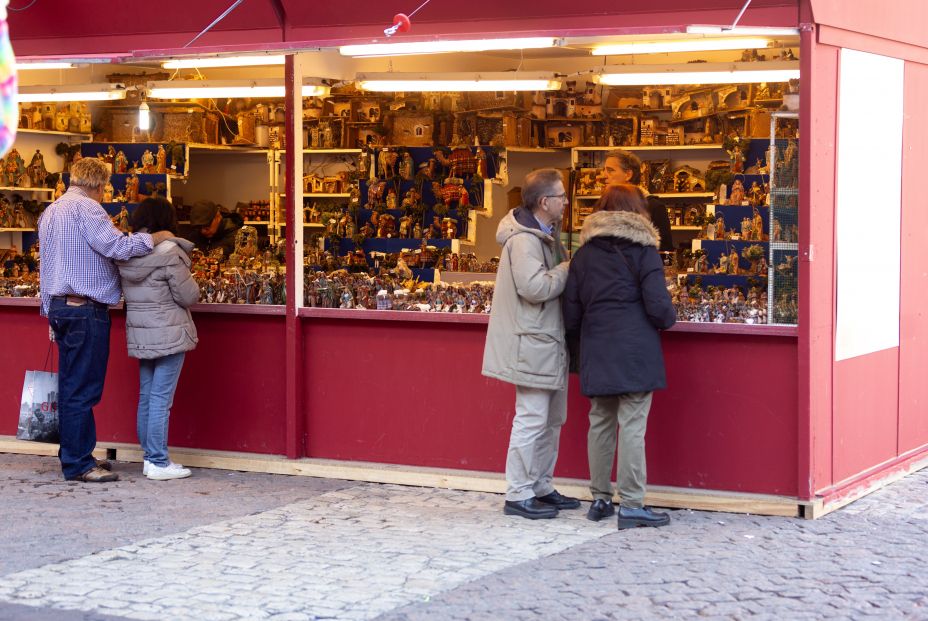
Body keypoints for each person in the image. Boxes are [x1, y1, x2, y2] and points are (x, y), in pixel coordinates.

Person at [39, 158, 174, 483]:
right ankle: (78, 464)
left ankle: (76, 454)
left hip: (62, 307)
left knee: (72, 386)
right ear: (98, 185)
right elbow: (115, 246)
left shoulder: (51, 211)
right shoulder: (88, 209)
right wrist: (154, 238)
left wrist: (48, 311)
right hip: (85, 309)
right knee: (82, 390)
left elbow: (46, 267)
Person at [563, 184, 677, 529]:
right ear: (638, 212)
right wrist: (669, 318)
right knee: (632, 426)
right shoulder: (644, 252)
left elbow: (571, 313)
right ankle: (631, 504)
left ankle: (600, 499)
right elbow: (660, 309)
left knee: (599, 422)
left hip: (597, 348)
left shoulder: (583, 255)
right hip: (634, 349)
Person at [482, 168, 579, 520]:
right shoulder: (524, 241)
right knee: (532, 417)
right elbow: (535, 288)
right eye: (562, 196)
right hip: (534, 341)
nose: (566, 202)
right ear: (544, 202)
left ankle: (539, 485)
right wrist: (568, 269)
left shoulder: (544, 236)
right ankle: (519, 493)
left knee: (551, 418)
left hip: (546, 340)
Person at [117, 197, 200, 481]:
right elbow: (189, 295)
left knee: (147, 397)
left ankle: (149, 457)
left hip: (142, 333)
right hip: (170, 332)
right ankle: (157, 461)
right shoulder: (170, 253)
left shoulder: (128, 254)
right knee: (161, 399)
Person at [602, 150, 675, 252]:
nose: (604, 175)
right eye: (604, 170)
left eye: (610, 170)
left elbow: (664, 252)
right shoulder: (605, 206)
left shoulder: (654, 207)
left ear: (628, 175)